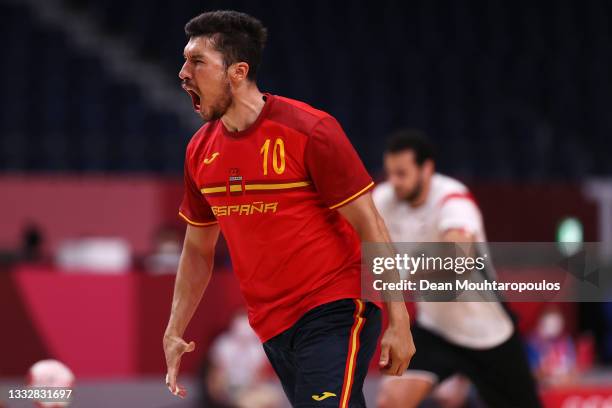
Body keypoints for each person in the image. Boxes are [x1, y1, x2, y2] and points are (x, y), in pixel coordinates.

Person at [162, 11, 415, 407]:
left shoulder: (310, 130)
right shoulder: (199, 151)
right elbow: (197, 250)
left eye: (197, 62)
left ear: (237, 71)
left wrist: (399, 319)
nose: (183, 72)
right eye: (184, 60)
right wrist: (174, 328)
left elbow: (370, 225)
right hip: (272, 326)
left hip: (334, 307)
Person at [373, 130, 541, 408]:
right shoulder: (385, 199)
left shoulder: (453, 199)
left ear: (426, 169)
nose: (394, 182)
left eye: (402, 174)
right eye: (389, 173)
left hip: (488, 333)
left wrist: (400, 271)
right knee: (391, 401)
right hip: (435, 330)